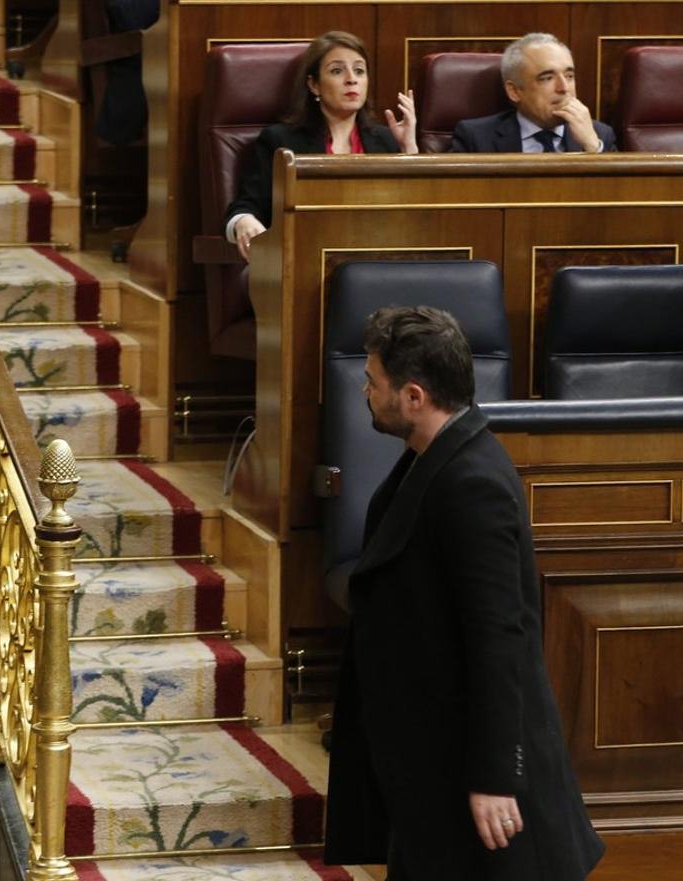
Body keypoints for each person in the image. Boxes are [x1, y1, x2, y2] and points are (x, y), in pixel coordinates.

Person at [323, 306, 604, 881]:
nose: (365, 391)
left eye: (374, 382)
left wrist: (496, 778)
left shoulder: (473, 483)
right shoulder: (434, 460)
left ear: (415, 397)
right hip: (430, 760)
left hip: (470, 775)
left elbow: (502, 638)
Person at [223, 31, 418, 259]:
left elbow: (412, 219)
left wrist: (409, 150)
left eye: (359, 70)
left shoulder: (385, 140)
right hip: (308, 257)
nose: (351, 79)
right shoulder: (281, 142)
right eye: (337, 71)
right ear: (314, 85)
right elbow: (246, 206)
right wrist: (244, 222)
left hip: (376, 257)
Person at [449, 33, 616, 153]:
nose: (564, 87)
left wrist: (593, 148)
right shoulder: (476, 138)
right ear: (514, 91)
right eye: (547, 78)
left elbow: (620, 198)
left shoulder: (600, 135)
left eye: (569, 76)